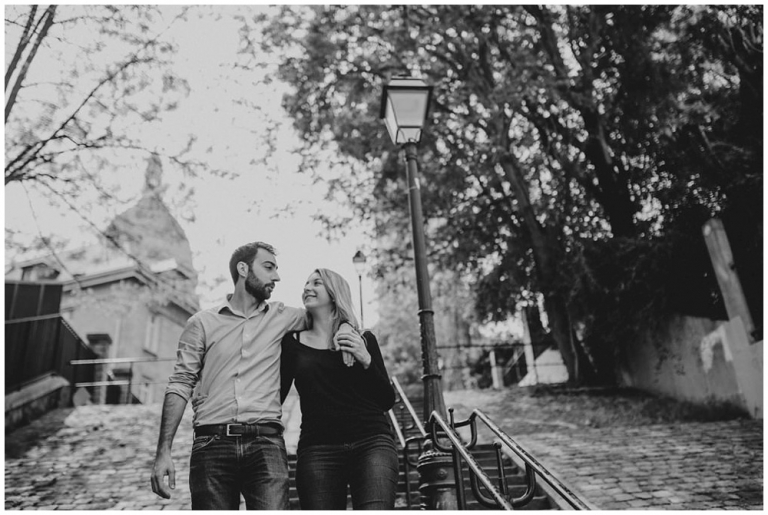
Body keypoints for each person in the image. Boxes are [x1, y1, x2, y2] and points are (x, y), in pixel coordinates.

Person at [150, 242, 363, 510]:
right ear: (243, 269)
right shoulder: (201, 323)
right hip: (212, 442)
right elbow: (180, 384)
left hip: (266, 444)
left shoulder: (285, 317)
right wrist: (163, 452)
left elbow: (329, 313)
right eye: (269, 267)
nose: (277, 277)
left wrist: (345, 327)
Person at [281, 268, 398, 510]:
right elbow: (277, 396)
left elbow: (386, 400)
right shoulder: (292, 343)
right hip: (318, 448)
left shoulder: (363, 339)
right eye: (306, 283)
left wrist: (365, 359)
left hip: (372, 442)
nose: (307, 288)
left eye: (317, 283)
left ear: (334, 295)